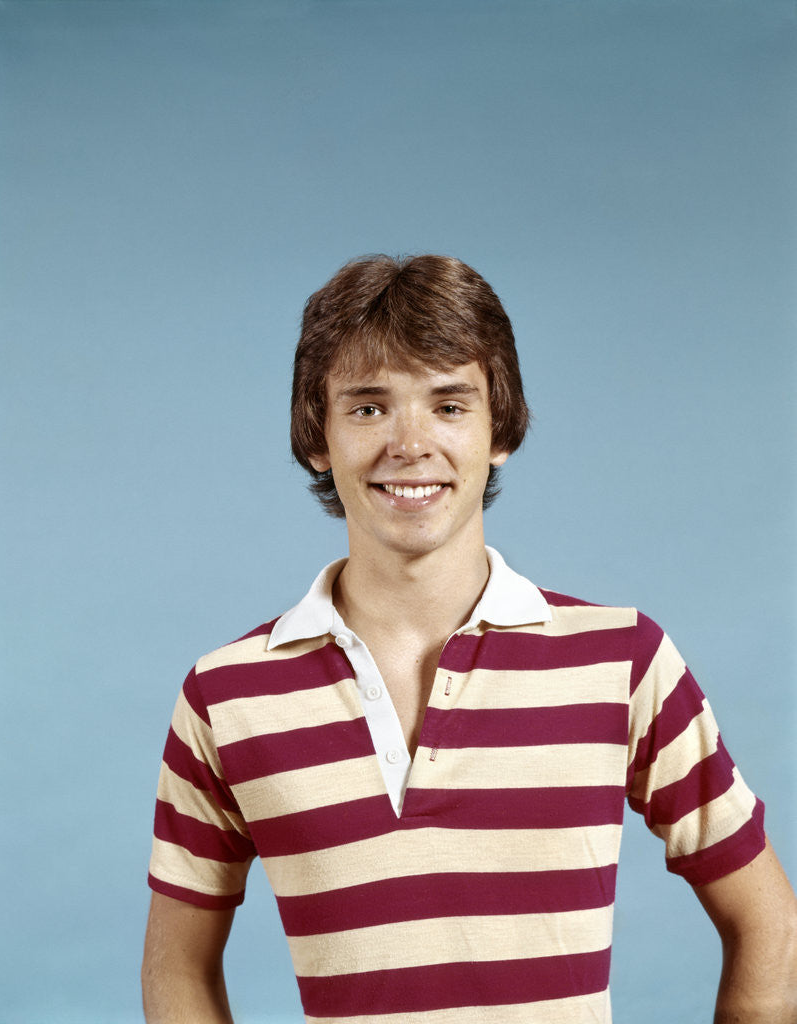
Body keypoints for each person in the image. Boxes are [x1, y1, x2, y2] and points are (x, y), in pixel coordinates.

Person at [142, 254, 797, 1023]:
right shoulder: (226, 694)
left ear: (501, 431)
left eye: (449, 405)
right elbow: (176, 969)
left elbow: (770, 927)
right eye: (367, 408)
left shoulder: (624, 661)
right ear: (316, 437)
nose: (409, 444)